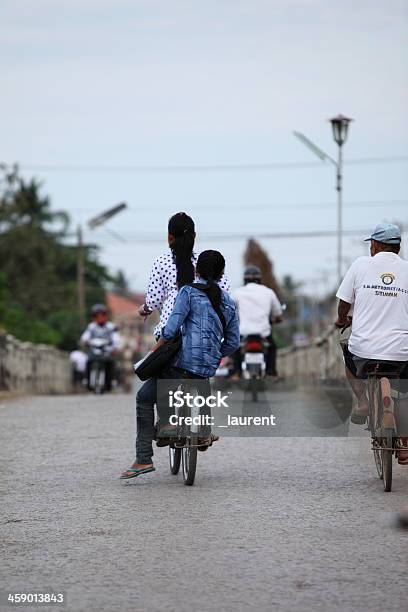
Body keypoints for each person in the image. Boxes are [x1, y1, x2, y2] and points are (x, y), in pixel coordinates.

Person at [121, 250, 239, 479]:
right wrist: (215, 355)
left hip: (181, 364)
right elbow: (233, 342)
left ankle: (143, 458)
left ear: (197, 271)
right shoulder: (229, 302)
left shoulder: (188, 292)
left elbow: (171, 329)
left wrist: (155, 349)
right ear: (221, 273)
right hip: (207, 366)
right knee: (201, 380)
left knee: (144, 397)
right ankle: (202, 431)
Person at [335, 223, 408, 464]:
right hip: (401, 351)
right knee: (405, 390)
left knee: (347, 352)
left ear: (375, 245)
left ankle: (364, 402)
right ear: (397, 247)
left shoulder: (360, 265)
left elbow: (344, 302)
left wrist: (341, 319)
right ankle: (405, 442)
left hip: (364, 349)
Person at [232, 265, 283, 379]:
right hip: (263, 332)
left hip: (243, 332)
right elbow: (278, 313)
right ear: (260, 279)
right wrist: (277, 319)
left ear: (245, 279)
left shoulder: (237, 293)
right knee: (272, 348)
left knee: (235, 347)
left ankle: (237, 372)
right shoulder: (268, 292)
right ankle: (271, 372)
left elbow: (230, 311)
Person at [80, 304, 122, 391]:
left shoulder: (111, 327)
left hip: (107, 351)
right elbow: (85, 337)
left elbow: (116, 338)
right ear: (93, 317)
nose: (100, 317)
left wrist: (115, 347)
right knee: (87, 362)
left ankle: (112, 381)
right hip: (94, 350)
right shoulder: (91, 327)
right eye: (97, 315)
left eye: (102, 315)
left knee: (113, 364)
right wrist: (85, 341)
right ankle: (86, 380)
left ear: (106, 316)